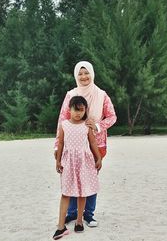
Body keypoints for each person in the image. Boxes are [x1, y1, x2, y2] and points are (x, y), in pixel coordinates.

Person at [54, 61, 117, 227]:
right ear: (76, 76)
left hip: (96, 144)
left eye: (86, 73)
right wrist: (56, 147)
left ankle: (88, 214)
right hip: (72, 146)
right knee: (72, 178)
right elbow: (62, 120)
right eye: (80, 74)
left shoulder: (102, 94)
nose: (83, 76)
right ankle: (73, 213)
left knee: (90, 179)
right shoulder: (71, 95)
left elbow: (112, 116)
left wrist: (97, 126)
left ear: (92, 73)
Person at [53, 96, 103, 240]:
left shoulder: (86, 126)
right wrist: (58, 160)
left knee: (83, 192)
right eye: (76, 109)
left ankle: (79, 221)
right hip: (69, 162)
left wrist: (98, 157)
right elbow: (61, 143)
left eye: (81, 110)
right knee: (66, 193)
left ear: (85, 110)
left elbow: (93, 143)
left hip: (84, 162)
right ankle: (60, 226)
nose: (78, 113)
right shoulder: (64, 125)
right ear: (70, 109)